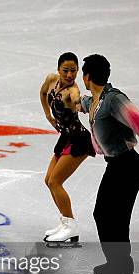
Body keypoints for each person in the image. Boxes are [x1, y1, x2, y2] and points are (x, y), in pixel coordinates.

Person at [80, 54, 139, 274]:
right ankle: (118, 264)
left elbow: (138, 121)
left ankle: (120, 265)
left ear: (87, 76)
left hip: (128, 166)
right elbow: (80, 102)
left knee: (112, 216)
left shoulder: (113, 99)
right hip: (117, 166)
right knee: (106, 214)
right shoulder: (96, 101)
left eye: (82, 73)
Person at [39, 52, 96, 243]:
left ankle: (71, 227)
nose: (70, 75)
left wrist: (82, 102)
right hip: (66, 137)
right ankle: (64, 223)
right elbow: (42, 92)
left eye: (73, 70)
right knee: (48, 180)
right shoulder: (51, 79)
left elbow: (78, 100)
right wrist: (48, 116)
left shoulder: (73, 91)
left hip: (78, 140)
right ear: (58, 70)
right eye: (66, 70)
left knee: (55, 181)